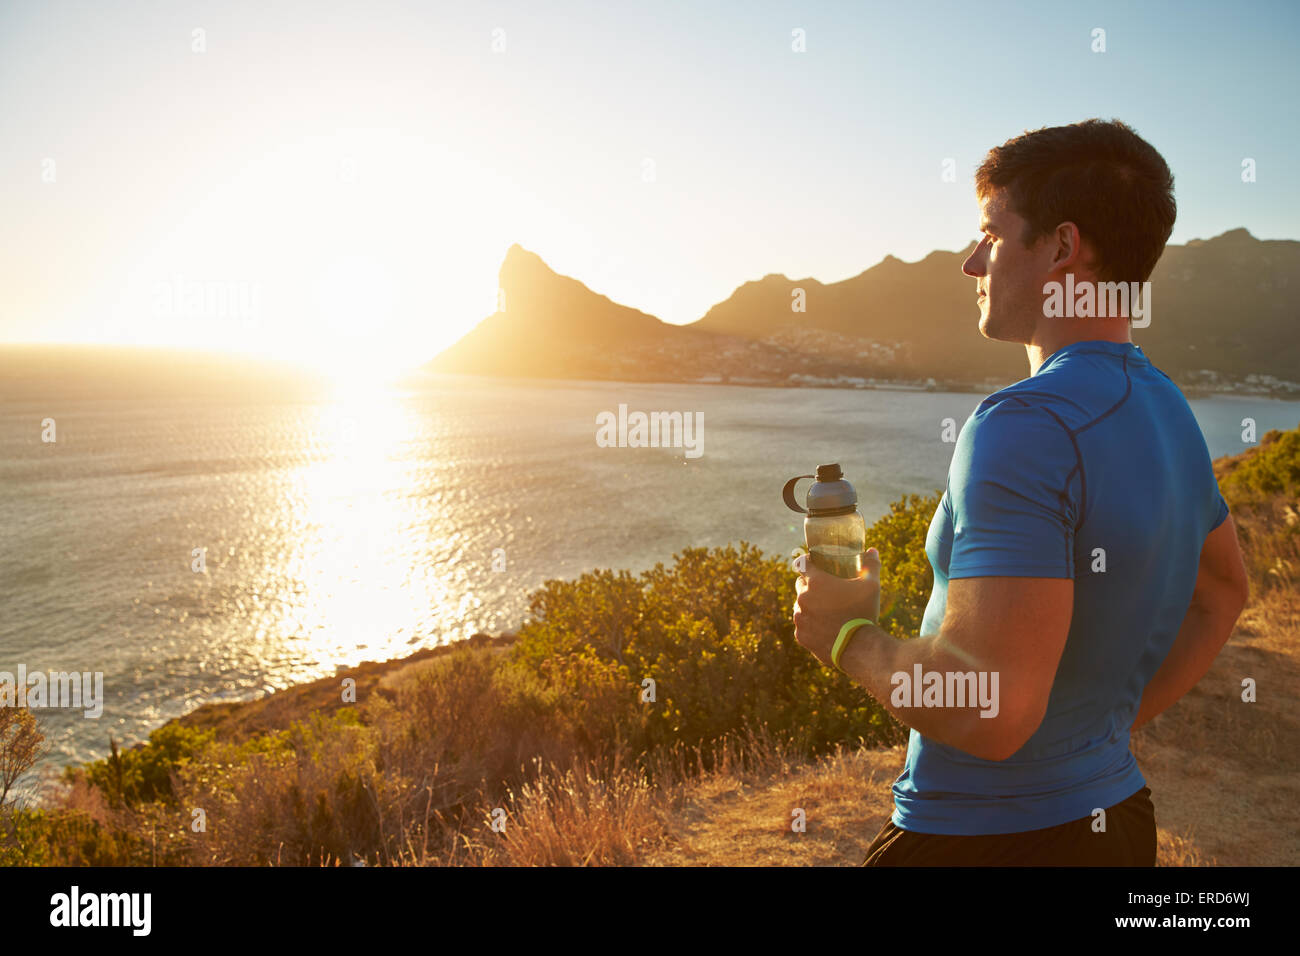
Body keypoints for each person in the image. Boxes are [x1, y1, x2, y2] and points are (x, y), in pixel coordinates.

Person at [792, 118, 1250, 866]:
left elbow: (989, 710)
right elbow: (1223, 592)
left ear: (1063, 249)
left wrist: (846, 637)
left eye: (991, 235)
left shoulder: (1024, 424)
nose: (972, 263)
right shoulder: (1168, 408)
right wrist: (1095, 736)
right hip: (1116, 816)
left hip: (979, 841)